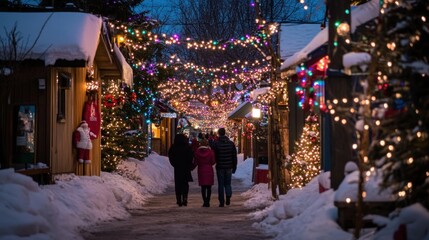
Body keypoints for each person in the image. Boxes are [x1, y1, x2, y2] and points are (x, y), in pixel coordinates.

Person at [212, 128, 237, 207]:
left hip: (220, 166)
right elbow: (234, 156)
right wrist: (234, 166)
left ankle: (221, 201)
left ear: (219, 134)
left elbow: (214, 154)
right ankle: (228, 195)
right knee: (228, 183)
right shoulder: (231, 144)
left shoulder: (216, 144)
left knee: (221, 184)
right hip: (229, 166)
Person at [168, 134, 194, 207]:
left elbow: (171, 156)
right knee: (185, 184)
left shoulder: (174, 147)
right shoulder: (187, 147)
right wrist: (189, 165)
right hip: (185, 168)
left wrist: (174, 164)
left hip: (177, 168)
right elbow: (191, 156)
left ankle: (178, 199)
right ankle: (185, 198)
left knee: (178, 184)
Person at [193, 138, 216, 207]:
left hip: (201, 170)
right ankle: (208, 201)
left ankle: (204, 201)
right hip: (209, 169)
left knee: (203, 187)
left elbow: (196, 162)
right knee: (209, 187)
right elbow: (213, 161)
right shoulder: (211, 152)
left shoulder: (197, 152)